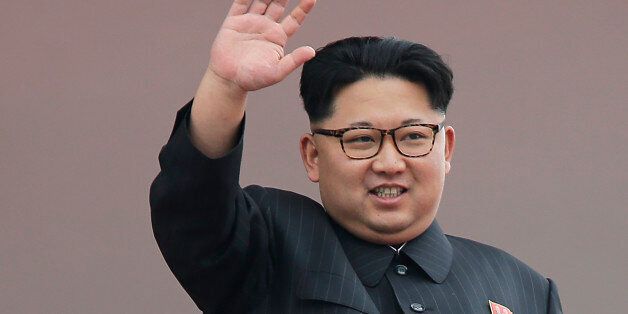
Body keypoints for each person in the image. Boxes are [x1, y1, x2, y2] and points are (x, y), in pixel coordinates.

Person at [150, 0, 563, 313]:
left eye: (413, 136)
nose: (389, 162)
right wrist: (225, 86)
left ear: (446, 147)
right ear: (313, 156)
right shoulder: (265, 245)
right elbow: (193, 203)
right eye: (362, 139)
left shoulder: (523, 288)